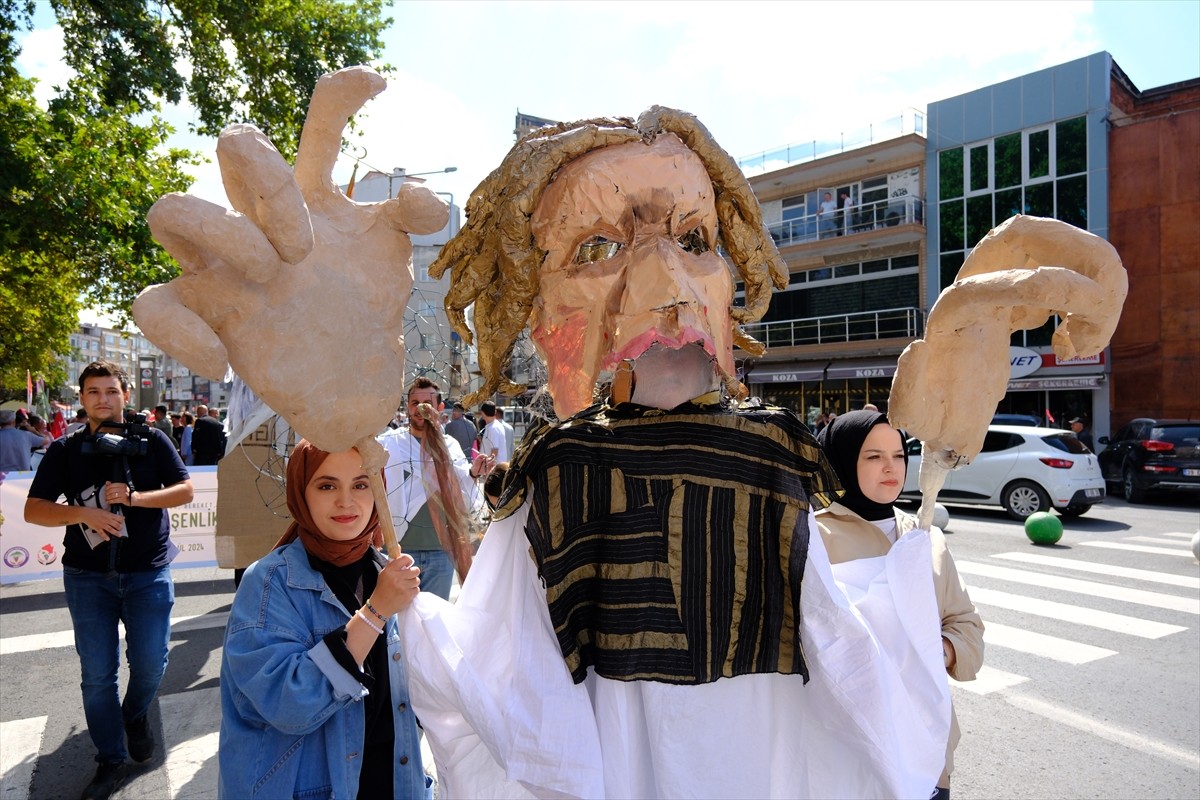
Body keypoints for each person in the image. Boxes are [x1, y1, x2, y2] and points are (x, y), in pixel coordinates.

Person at [396, 108, 950, 798]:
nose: (664, 287)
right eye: (597, 247)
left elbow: (832, 639)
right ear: (535, 308)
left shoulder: (769, 456)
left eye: (693, 240)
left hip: (747, 762)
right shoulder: (560, 470)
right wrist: (409, 614)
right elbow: (509, 665)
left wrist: (908, 589)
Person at [218, 440, 431, 799]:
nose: (346, 501)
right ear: (301, 493)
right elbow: (290, 703)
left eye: (361, 484)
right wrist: (375, 612)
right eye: (327, 485)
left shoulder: (388, 573)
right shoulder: (268, 584)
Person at [24, 360, 193, 800]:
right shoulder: (65, 449)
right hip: (86, 577)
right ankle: (110, 760)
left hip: (148, 573)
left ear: (125, 395)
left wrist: (135, 498)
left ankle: (134, 715)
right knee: (98, 676)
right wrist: (83, 513)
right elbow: (34, 509)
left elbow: (185, 490)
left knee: (152, 664)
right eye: (94, 392)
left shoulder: (152, 439)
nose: (103, 399)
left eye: (112, 391)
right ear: (82, 398)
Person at [815, 410, 984, 800]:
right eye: (873, 456)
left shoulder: (924, 536)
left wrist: (938, 650)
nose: (891, 467)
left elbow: (966, 624)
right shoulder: (814, 536)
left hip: (927, 751)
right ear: (841, 463)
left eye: (899, 455)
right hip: (848, 758)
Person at [377, 378, 490, 600]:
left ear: (440, 407)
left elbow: (462, 494)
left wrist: (473, 473)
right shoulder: (389, 444)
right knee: (395, 618)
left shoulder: (449, 446)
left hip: (441, 551)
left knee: (435, 617)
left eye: (427, 403)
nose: (420, 409)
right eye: (414, 403)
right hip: (398, 551)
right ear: (407, 407)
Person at [0, 408, 51, 472]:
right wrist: (34, 431)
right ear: (14, 421)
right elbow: (47, 440)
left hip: (2, 475)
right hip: (23, 475)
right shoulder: (26, 435)